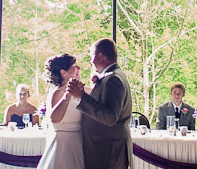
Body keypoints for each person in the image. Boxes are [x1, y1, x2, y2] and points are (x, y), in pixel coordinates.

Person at [67, 37, 133, 169]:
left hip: (108, 151)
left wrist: (81, 96)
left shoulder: (113, 79)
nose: (91, 61)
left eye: (92, 56)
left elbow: (109, 117)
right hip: (105, 148)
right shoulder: (111, 76)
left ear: (101, 56)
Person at [36, 53, 86, 169]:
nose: (79, 69)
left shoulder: (80, 89)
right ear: (64, 73)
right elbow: (55, 119)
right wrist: (67, 96)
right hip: (63, 145)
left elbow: (95, 94)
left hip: (77, 141)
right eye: (75, 66)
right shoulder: (57, 93)